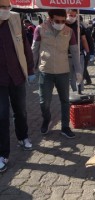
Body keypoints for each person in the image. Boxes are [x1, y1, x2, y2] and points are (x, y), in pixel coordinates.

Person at [32, 9, 82, 139]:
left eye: (63, 21)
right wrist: (31, 69)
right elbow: (34, 50)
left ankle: (65, 127)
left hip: (63, 71)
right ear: (49, 18)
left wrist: (78, 71)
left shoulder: (69, 31)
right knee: (44, 102)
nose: (60, 23)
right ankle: (46, 119)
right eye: (57, 21)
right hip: (45, 71)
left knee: (65, 101)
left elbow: (75, 52)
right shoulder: (40, 29)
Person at [0, 0, 36, 172]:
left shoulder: (15, 19)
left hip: (17, 75)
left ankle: (23, 137)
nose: (7, 10)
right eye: (2, 7)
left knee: (20, 110)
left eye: (8, 7)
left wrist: (29, 70)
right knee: (1, 116)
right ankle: (2, 154)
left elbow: (25, 46)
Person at [66, 9, 89, 92]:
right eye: (70, 15)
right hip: (67, 56)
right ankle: (75, 93)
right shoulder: (63, 25)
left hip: (79, 55)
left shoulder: (79, 26)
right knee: (71, 78)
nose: (72, 17)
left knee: (80, 76)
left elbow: (83, 39)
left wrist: (88, 52)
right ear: (66, 14)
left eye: (74, 15)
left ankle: (81, 93)